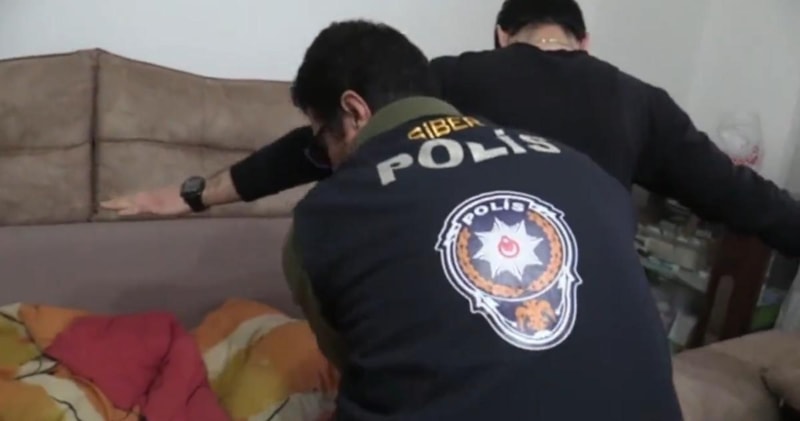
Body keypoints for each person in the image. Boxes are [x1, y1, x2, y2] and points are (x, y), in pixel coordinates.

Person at [103, 0, 800, 258]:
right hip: (602, 329)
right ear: (585, 43)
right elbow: (741, 197)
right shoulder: (641, 101)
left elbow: (318, 149)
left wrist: (194, 195)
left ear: (501, 34)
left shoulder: (449, 76)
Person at [281, 19, 681, 420]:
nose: (327, 160)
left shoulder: (323, 219)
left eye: (321, 142)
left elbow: (355, 365)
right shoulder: (587, 171)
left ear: (354, 112)